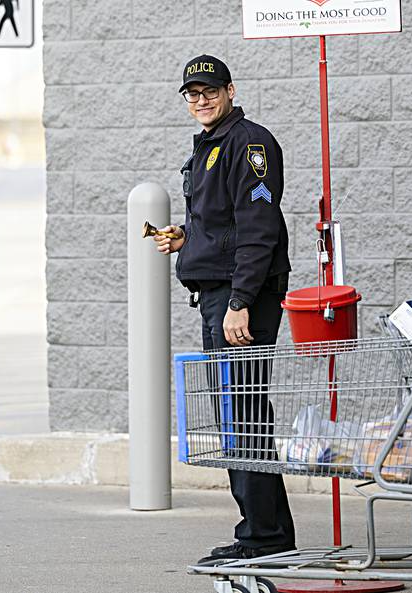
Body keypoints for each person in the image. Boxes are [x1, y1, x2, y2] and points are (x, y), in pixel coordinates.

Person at [153, 54, 295, 563]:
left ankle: (261, 539)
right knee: (243, 416)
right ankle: (269, 532)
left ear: (230, 91)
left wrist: (239, 303)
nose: (201, 99)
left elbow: (259, 229)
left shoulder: (249, 143)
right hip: (222, 293)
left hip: (240, 299)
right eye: (192, 93)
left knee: (243, 416)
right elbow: (225, 223)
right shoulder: (211, 145)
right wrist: (187, 239)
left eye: (210, 91)